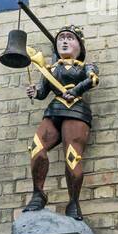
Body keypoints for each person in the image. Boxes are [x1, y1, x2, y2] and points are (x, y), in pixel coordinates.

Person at [24, 25, 99, 220]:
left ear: (80, 46)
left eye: (70, 38)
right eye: (61, 38)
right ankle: (38, 193)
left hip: (76, 111)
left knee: (72, 156)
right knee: (36, 147)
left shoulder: (85, 66)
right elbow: (43, 91)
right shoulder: (50, 69)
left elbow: (92, 79)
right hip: (55, 109)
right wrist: (36, 92)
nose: (64, 41)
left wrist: (75, 91)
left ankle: (74, 201)